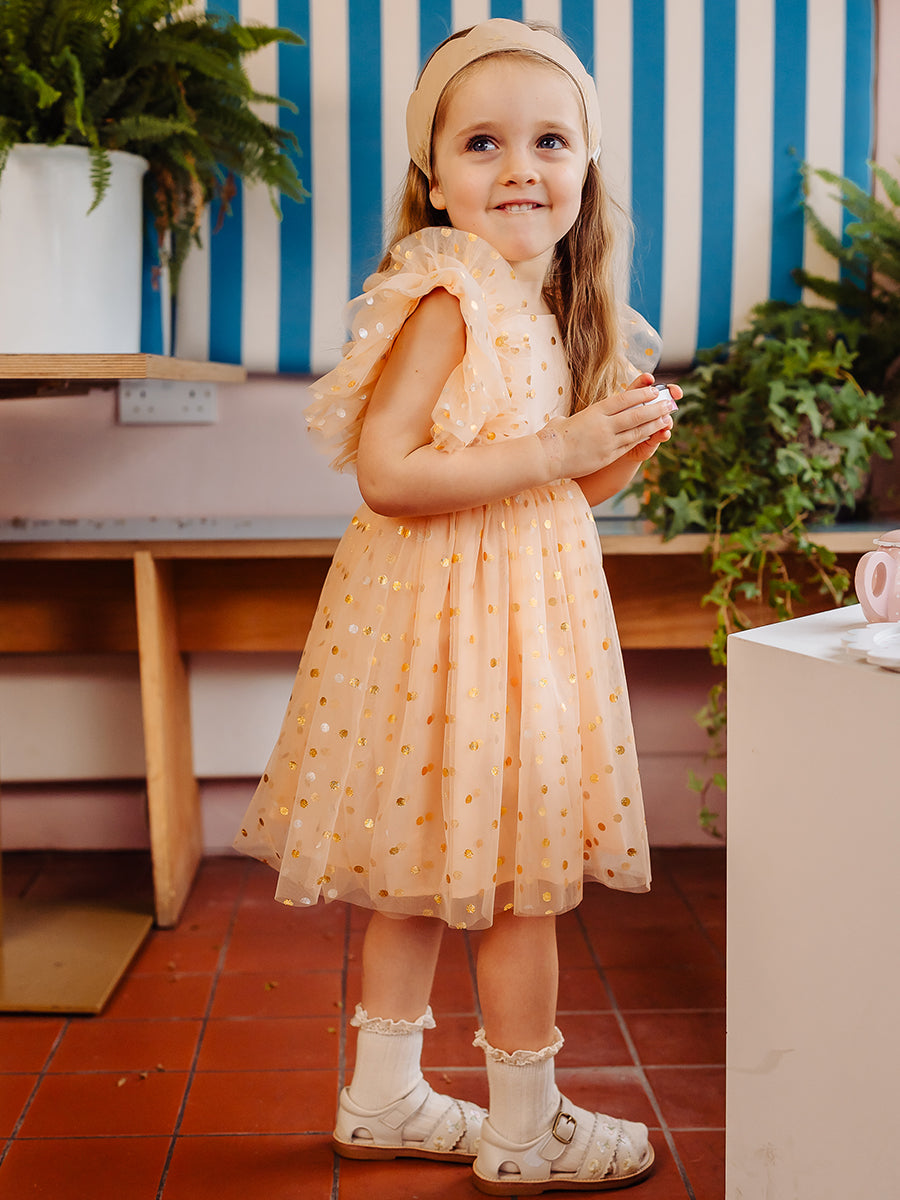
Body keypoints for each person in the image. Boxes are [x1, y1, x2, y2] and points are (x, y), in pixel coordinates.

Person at [235, 18, 680, 1194]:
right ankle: (525, 1127)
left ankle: (382, 1096)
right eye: (483, 143)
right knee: (513, 880)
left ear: (586, 168)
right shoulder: (449, 296)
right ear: (434, 179)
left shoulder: (548, 308)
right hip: (453, 632)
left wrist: (616, 447)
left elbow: (558, 487)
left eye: (549, 142)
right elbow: (389, 472)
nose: (520, 168)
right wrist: (559, 447)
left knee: (428, 867)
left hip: (514, 622)